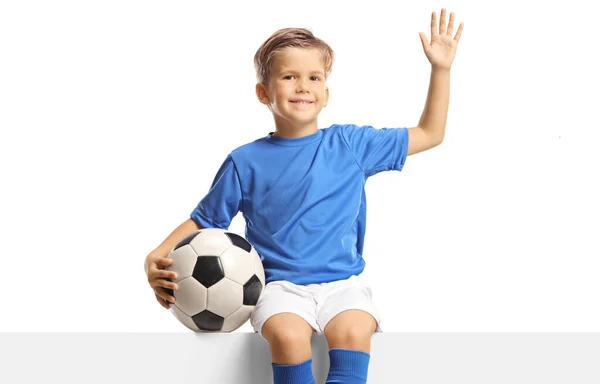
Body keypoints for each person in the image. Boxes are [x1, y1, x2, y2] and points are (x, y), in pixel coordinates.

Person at [145, 8, 464, 384]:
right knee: (287, 336)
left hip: (343, 284)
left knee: (353, 331)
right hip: (279, 288)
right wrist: (157, 254)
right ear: (264, 92)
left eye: (314, 77)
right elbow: (206, 219)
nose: (303, 86)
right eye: (289, 76)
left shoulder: (350, 144)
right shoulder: (244, 161)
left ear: (326, 94)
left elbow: (430, 133)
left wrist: (440, 69)